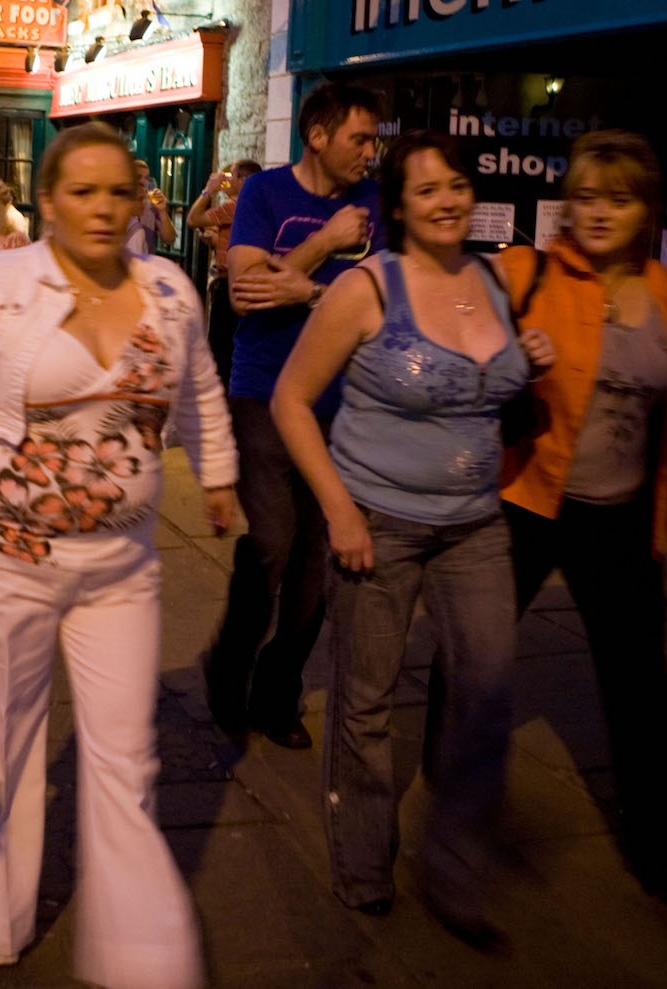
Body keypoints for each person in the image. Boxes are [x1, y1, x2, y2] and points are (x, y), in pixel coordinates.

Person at [0, 120, 238, 983]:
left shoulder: (169, 288)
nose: (102, 207)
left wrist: (220, 472)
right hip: (6, 559)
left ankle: (140, 956)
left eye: (118, 191)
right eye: (81, 191)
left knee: (126, 760)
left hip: (122, 565)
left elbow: (197, 383)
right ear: (46, 201)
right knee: (1, 744)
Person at [271, 130, 543, 944]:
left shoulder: (493, 278)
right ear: (399, 203)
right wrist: (340, 511)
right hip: (378, 523)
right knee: (366, 703)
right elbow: (292, 401)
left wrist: (528, 357)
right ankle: (363, 864)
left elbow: (492, 389)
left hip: (476, 526)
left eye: (457, 185)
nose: (447, 201)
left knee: (487, 694)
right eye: (426, 190)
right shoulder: (366, 288)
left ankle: (453, 864)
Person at [496, 129, 667, 912]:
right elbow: (445, 324)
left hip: (622, 521)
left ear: (646, 210)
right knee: (479, 661)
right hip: (528, 501)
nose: (596, 212)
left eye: (617, 199)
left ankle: (663, 850)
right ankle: (456, 802)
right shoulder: (525, 272)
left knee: (642, 690)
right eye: (585, 196)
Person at [204, 83, 383, 749]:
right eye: (359, 139)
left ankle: (277, 691)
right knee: (273, 542)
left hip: (344, 406)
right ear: (317, 135)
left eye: (374, 139)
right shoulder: (266, 194)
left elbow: (384, 295)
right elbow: (248, 294)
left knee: (319, 563)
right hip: (263, 392)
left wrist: (305, 289)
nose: (371, 152)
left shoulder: (376, 201)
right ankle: (228, 667)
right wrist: (326, 244)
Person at [189, 159, 263, 387]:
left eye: (231, 176)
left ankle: (218, 398)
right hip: (246, 280)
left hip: (227, 281)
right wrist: (216, 240)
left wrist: (208, 190)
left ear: (243, 180)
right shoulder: (258, 204)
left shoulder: (233, 205)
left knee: (219, 345)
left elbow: (193, 219)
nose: (227, 180)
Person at [124, 159, 175, 258]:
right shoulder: (119, 205)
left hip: (146, 265)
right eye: (139, 177)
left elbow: (169, 239)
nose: (143, 182)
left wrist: (162, 211)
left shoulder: (151, 205)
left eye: (146, 178)